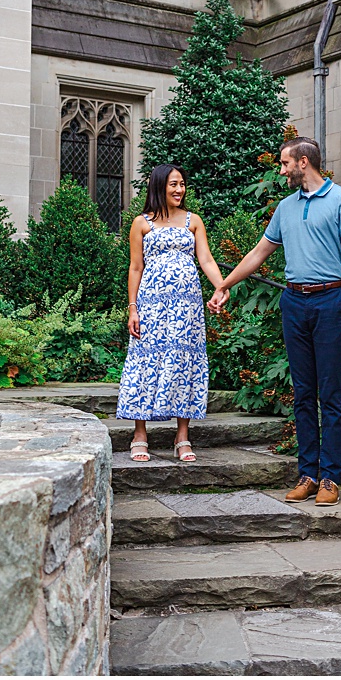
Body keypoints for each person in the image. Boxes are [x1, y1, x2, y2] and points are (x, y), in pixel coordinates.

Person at [210, 136, 341, 506]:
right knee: (301, 394)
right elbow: (260, 252)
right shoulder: (285, 207)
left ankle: (330, 478)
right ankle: (308, 475)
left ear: (303, 162)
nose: (281, 171)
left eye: (285, 164)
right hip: (294, 302)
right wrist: (224, 284)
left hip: (331, 301)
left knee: (329, 395)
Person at [116, 165, 225, 463]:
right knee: (144, 360)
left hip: (187, 307)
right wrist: (133, 309)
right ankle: (140, 433)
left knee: (184, 362)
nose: (180, 190)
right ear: (160, 186)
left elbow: (206, 259)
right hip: (151, 306)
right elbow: (135, 267)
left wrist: (222, 286)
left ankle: (182, 436)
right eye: (174, 184)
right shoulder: (141, 223)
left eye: (183, 184)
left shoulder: (193, 221)